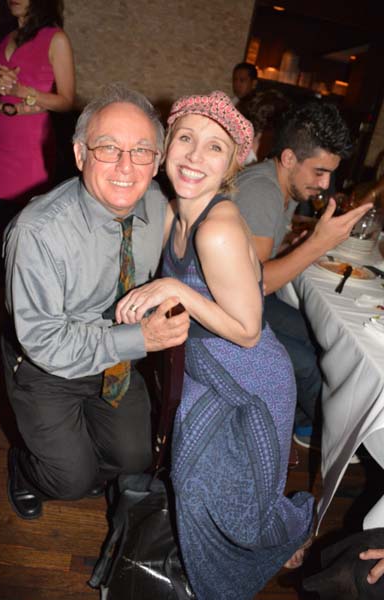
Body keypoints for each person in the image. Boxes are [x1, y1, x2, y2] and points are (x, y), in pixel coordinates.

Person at [115, 91, 315, 600]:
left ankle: (285, 533)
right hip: (208, 368)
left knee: (229, 504)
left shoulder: (217, 229)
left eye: (214, 148)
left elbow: (249, 331)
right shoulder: (171, 210)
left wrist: (177, 290)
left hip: (251, 382)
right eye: (185, 138)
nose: (193, 156)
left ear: (230, 167)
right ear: (166, 145)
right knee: (193, 480)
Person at [2, 83, 190, 521]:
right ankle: (28, 469)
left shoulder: (158, 206)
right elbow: (45, 342)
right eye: (107, 148)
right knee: (68, 481)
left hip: (114, 362)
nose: (126, 166)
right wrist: (139, 337)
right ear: (80, 155)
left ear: (157, 161)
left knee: (132, 459)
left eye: (142, 151)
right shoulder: (37, 232)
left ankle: (73, 454)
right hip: (44, 366)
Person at [233, 101, 373, 448]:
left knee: (318, 332)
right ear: (289, 158)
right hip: (223, 314)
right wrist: (316, 245)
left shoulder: (284, 185)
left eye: (330, 173)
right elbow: (255, 283)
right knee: (310, 364)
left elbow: (248, 261)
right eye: (319, 172)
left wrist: (300, 244)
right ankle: (336, 443)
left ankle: (301, 419)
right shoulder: (262, 191)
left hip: (244, 303)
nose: (325, 184)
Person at [0, 0, 75, 317]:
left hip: (30, 155)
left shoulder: (55, 38)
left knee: (18, 244)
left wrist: (24, 92)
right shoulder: (0, 36)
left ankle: (16, 319)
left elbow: (66, 100)